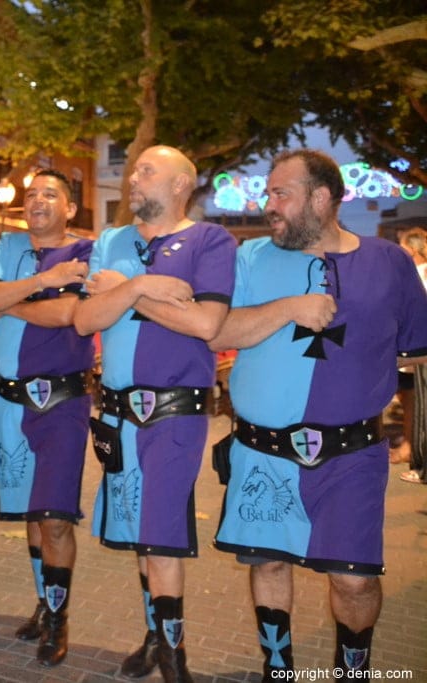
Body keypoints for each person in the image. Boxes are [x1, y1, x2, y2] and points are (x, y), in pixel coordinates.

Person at [210, 150, 427, 681]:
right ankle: (278, 669)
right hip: (262, 449)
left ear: (322, 198)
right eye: (268, 193)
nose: (269, 204)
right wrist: (288, 308)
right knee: (268, 561)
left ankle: (354, 672)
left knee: (354, 579)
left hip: (352, 455)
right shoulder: (250, 256)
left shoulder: (390, 262)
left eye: (281, 193)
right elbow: (218, 333)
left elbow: (416, 349)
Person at [73, 145, 235, 682]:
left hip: (174, 412)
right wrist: (142, 286)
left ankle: (173, 656)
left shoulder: (210, 241)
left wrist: (126, 293)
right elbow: (84, 320)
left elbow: (206, 325)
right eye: (134, 169)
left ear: (181, 183)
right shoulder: (111, 241)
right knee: (138, 530)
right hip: (117, 413)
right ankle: (154, 635)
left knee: (161, 530)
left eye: (147, 170)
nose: (133, 178)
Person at [0, 169, 92, 666]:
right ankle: (44, 603)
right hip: (8, 404)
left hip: (61, 404)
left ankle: (59, 620)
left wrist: (12, 303)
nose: (37, 201)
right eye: (31, 194)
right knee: (30, 513)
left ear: (70, 208)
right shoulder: (8, 246)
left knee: (56, 518)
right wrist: (41, 284)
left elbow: (68, 314)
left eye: (50, 194)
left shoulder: (86, 253)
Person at [397, 227, 427, 484]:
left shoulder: (419, 274)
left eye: (404, 248)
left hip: (419, 352)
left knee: (421, 406)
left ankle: (421, 464)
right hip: (415, 350)